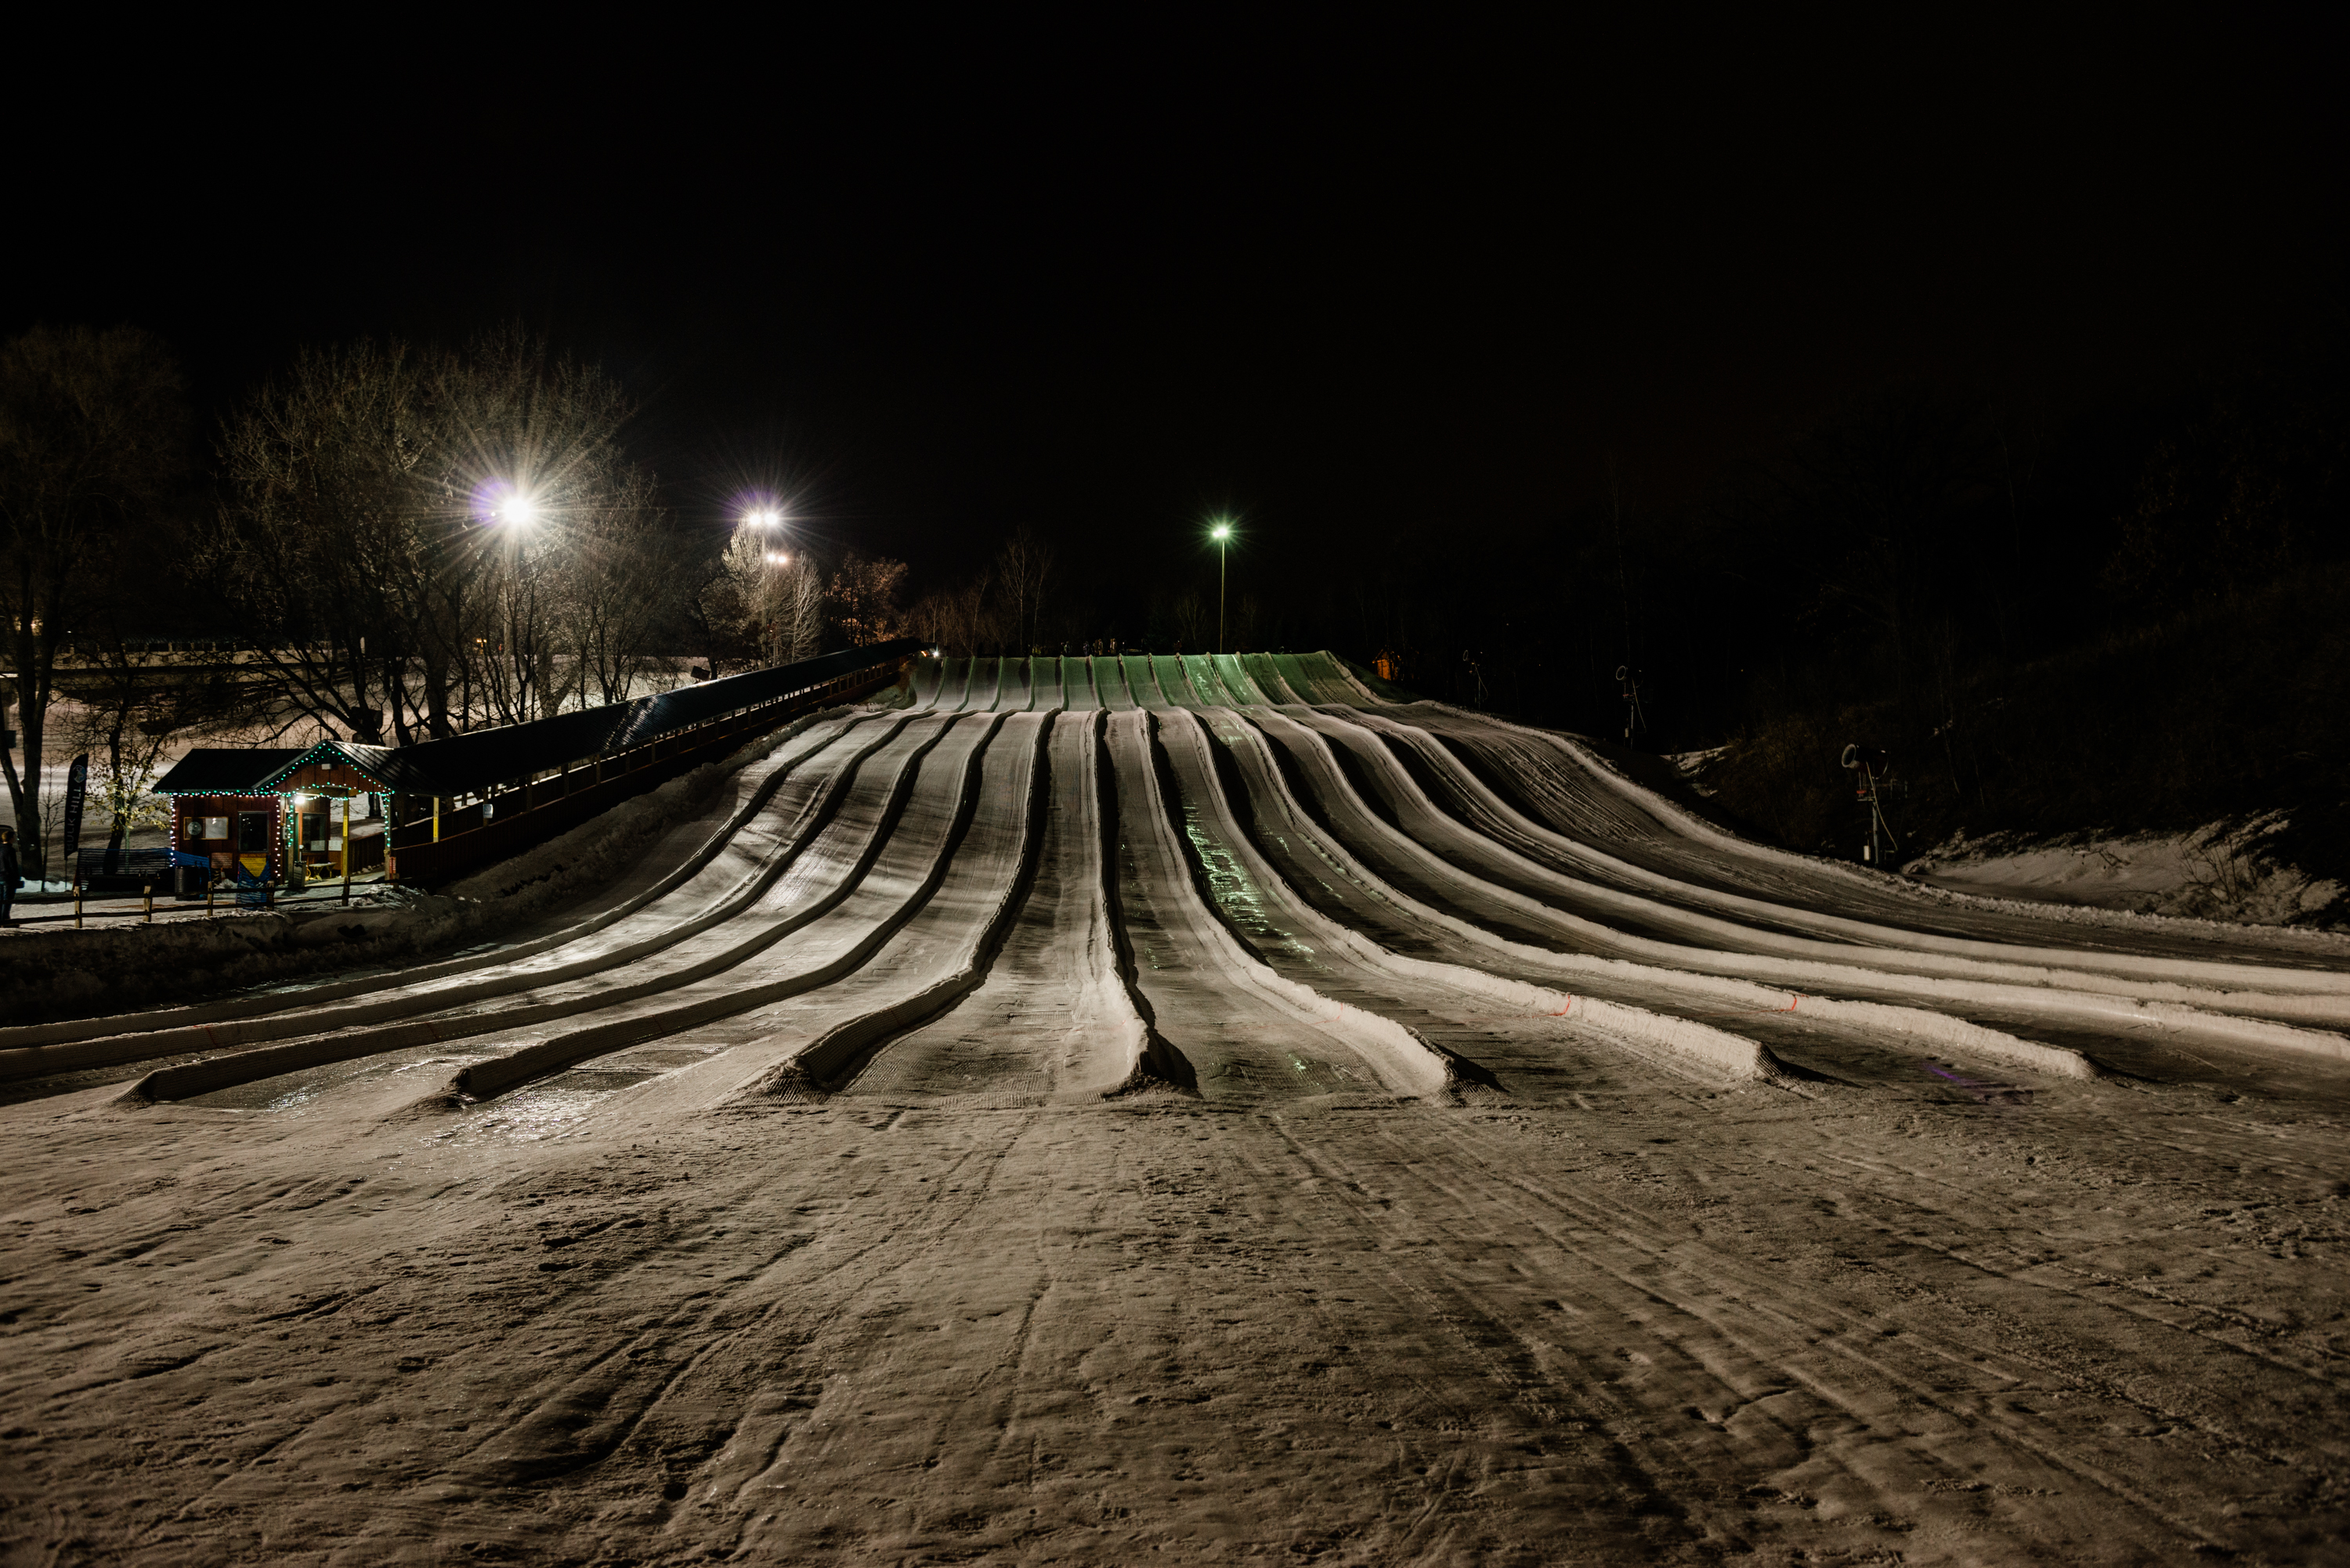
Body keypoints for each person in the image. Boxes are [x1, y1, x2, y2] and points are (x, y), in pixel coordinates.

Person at [0, 826, 20, 927]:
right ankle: (5, 920)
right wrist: (17, 878)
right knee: (8, 900)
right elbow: (13, 866)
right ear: (11, 838)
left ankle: (1, 919)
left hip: (0, 877)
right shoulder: (10, 850)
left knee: (1, 900)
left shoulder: (0, 849)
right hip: (8, 878)